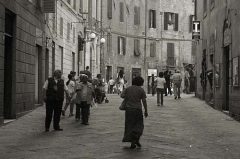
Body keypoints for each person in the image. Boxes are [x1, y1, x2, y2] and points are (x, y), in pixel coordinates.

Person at [121, 76, 148, 149]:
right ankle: (135, 140)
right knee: (139, 125)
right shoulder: (141, 90)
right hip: (137, 109)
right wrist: (146, 110)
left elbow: (122, 95)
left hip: (129, 110)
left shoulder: (128, 88)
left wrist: (129, 96)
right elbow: (144, 101)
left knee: (130, 125)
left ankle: (133, 141)